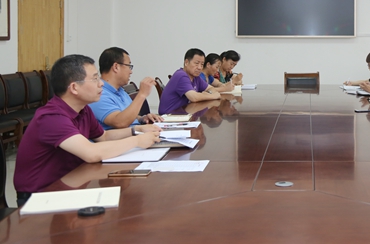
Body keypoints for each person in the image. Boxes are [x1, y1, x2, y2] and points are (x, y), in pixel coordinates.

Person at [14, 54, 160, 201]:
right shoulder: (52, 117)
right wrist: (137, 141)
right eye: (95, 79)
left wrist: (136, 130)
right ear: (74, 87)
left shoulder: (83, 109)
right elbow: (91, 153)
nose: (101, 83)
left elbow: (103, 136)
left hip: (71, 183)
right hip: (40, 196)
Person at [90, 47, 163, 130]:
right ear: (116, 67)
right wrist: (142, 94)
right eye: (129, 66)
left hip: (137, 133)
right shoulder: (99, 94)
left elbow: (128, 115)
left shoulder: (120, 90)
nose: (131, 71)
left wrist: (142, 118)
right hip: (125, 137)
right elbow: (120, 123)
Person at [158, 48, 221, 115]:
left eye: (202, 64)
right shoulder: (181, 75)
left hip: (183, 113)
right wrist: (213, 96)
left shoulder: (196, 77)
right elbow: (194, 97)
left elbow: (211, 88)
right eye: (196, 63)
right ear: (186, 62)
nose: (199, 67)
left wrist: (207, 93)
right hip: (169, 116)